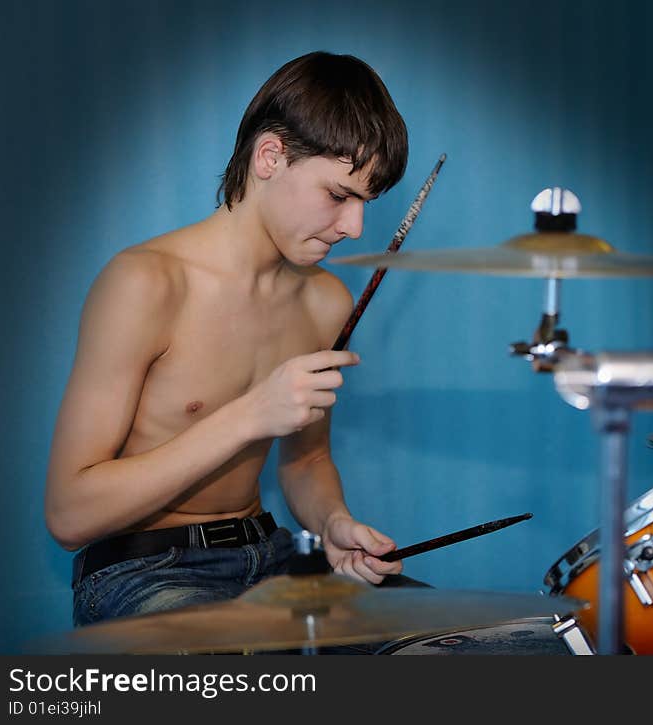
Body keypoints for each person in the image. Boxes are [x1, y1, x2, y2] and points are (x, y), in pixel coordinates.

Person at [45, 51, 414, 630]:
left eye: (366, 203)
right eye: (339, 195)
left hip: (274, 558)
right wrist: (248, 416)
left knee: (478, 648)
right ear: (270, 156)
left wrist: (335, 523)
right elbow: (68, 514)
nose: (354, 228)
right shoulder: (145, 284)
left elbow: (307, 459)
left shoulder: (325, 301)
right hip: (146, 571)